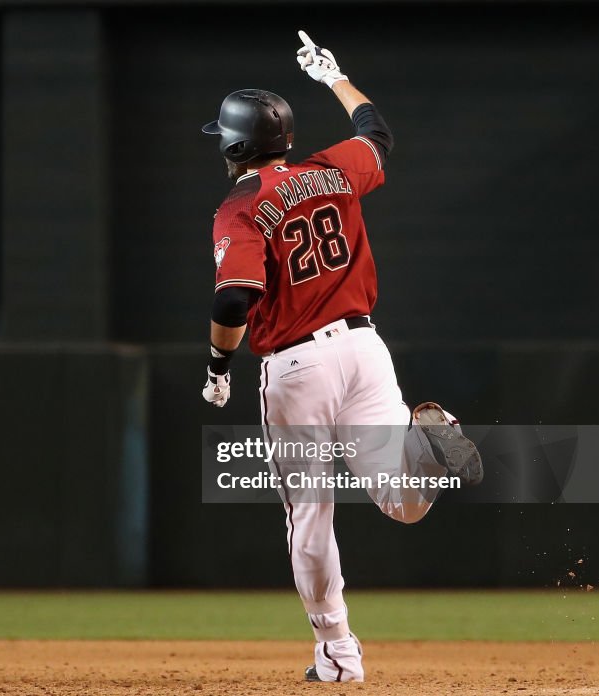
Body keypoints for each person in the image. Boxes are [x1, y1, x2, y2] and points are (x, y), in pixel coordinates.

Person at [199, 31, 483, 682]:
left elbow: (235, 300)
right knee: (401, 500)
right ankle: (430, 444)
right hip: (364, 346)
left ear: (236, 146)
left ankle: (338, 654)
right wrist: (335, 76)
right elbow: (376, 132)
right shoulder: (330, 170)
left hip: (298, 368)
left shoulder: (239, 208)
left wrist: (217, 369)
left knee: (310, 514)